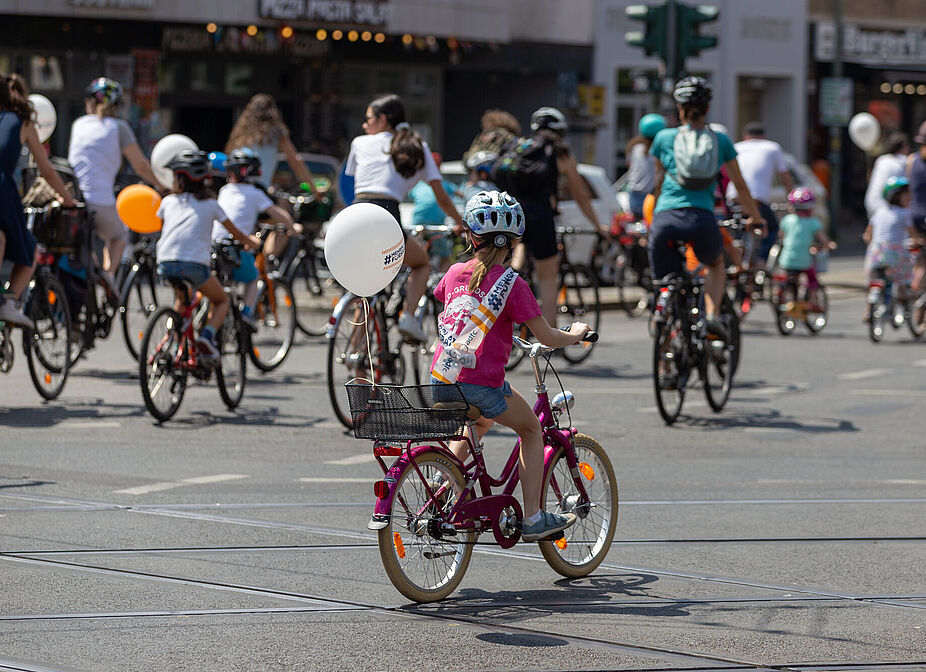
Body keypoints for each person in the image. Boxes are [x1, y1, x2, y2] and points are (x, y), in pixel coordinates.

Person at [430, 190, 589, 541]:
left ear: (471, 237)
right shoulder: (512, 284)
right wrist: (575, 334)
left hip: (441, 379)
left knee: (479, 420)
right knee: (531, 430)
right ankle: (532, 517)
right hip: (481, 384)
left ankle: (443, 484)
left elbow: (449, 308)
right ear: (515, 240)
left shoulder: (455, 271)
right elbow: (546, 336)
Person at [648, 76, 764, 339]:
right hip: (701, 219)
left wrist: (652, 218)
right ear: (708, 109)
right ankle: (711, 316)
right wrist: (756, 218)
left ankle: (663, 307)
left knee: (666, 278)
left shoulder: (664, 138)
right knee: (715, 265)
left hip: (666, 217)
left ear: (679, 108)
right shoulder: (720, 140)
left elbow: (657, 183)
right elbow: (740, 186)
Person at [345, 93, 464, 342]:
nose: (364, 125)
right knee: (421, 263)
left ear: (383, 119)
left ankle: (354, 353)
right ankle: (408, 317)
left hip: (354, 216)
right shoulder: (415, 147)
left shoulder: (359, 143)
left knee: (365, 287)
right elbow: (441, 196)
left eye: (368, 119)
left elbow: (359, 183)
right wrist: (459, 222)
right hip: (385, 215)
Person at [506, 106, 607, 327]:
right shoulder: (560, 151)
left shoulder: (520, 146)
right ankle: (550, 335)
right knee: (547, 278)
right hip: (541, 216)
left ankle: (508, 289)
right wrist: (598, 226)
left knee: (516, 260)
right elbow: (580, 194)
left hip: (514, 216)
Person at [156, 150, 259, 363]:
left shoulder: (168, 202)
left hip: (165, 263)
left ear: (180, 180)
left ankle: (176, 343)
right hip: (195, 266)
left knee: (182, 298)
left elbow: (163, 227)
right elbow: (236, 233)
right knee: (221, 300)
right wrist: (252, 242)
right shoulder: (212, 205)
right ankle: (207, 336)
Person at [0, 73, 76, 327]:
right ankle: (9, 302)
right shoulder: (22, 122)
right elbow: (47, 170)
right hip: (3, 193)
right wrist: (67, 199)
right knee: (30, 249)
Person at [67, 77, 162, 280]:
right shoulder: (118, 127)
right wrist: (161, 184)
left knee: (90, 237)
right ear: (115, 105)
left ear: (91, 103)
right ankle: (108, 277)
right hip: (99, 201)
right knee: (119, 236)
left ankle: (93, 273)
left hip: (75, 199)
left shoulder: (79, 124)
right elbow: (141, 166)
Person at [211, 147, 295, 331]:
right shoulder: (255, 193)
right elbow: (276, 213)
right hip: (236, 246)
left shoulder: (225, 190)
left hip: (214, 245)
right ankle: (247, 313)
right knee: (254, 279)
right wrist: (292, 226)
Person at [225, 93, 319, 197]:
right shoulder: (275, 133)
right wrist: (315, 191)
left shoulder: (241, 135)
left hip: (234, 191)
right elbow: (296, 162)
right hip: (258, 193)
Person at [725, 121, 793, 261]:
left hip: (733, 198)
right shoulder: (772, 147)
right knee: (771, 229)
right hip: (757, 200)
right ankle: (761, 262)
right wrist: (792, 199)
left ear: (745, 136)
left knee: (734, 231)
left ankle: (735, 261)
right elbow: (784, 175)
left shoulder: (737, 146)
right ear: (763, 136)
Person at [862, 176, 921, 322]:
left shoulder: (879, 212)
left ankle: (869, 310)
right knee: (902, 276)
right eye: (907, 195)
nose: (910, 198)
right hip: (895, 253)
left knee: (875, 279)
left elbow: (868, 234)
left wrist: (871, 244)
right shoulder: (904, 214)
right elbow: (913, 235)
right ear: (897, 197)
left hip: (876, 252)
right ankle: (902, 293)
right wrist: (918, 241)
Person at [777, 187, 835, 313]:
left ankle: (783, 296)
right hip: (804, 260)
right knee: (812, 279)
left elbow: (781, 235)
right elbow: (822, 238)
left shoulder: (786, 220)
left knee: (788, 276)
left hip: (786, 259)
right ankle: (813, 302)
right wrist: (829, 244)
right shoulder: (813, 222)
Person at [626, 113, 665, 219]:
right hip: (650, 195)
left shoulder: (635, 147)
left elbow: (630, 166)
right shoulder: (658, 151)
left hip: (632, 193)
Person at [864, 132, 910, 219]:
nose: (908, 149)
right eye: (906, 146)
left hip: (870, 203)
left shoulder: (881, 160)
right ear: (901, 147)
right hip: (887, 209)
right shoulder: (901, 162)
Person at [905, 122, 926, 292]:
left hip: (911, 215)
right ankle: (916, 289)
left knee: (915, 256)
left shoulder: (912, 160)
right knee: (924, 262)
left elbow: (906, 186)